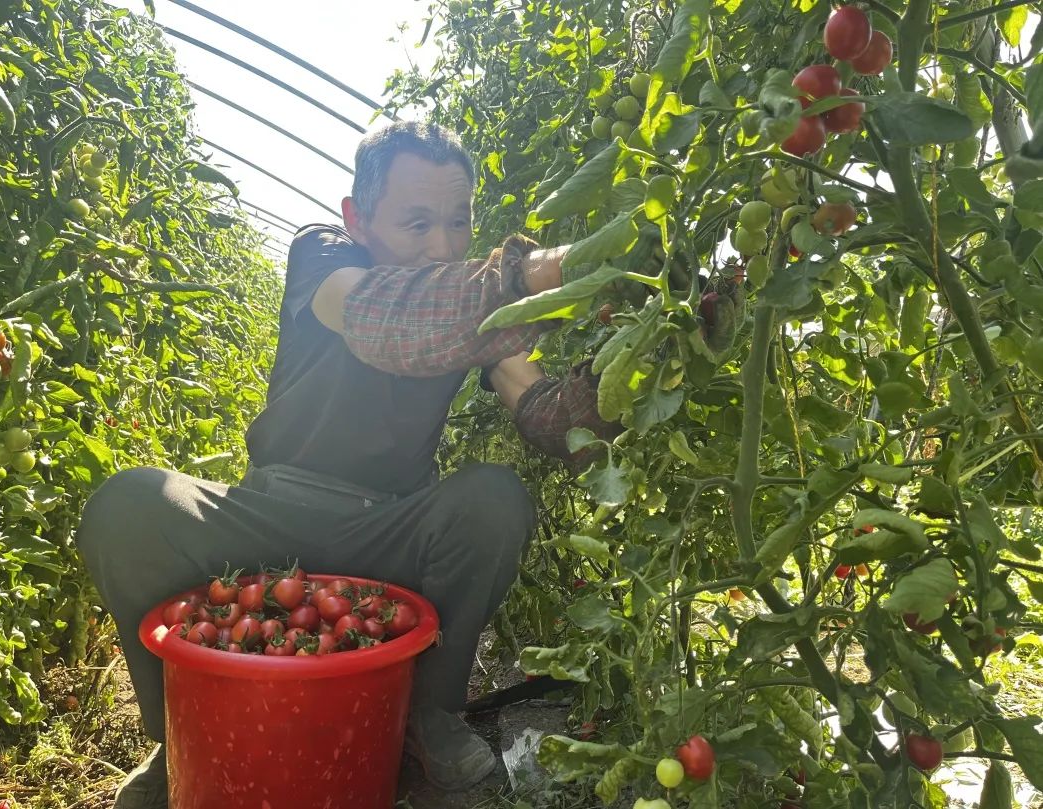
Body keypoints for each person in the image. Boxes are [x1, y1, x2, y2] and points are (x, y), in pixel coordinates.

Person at [75, 121, 741, 807]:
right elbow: (384, 325)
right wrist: (573, 265)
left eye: (458, 222)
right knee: (132, 505)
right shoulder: (324, 255)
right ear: (356, 219)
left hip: (387, 528)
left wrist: (645, 357)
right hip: (267, 516)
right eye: (416, 222)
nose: (442, 245)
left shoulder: (470, 299)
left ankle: (429, 715)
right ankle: (181, 734)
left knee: (493, 497)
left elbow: (544, 411)